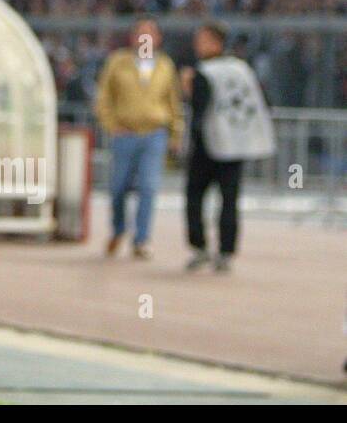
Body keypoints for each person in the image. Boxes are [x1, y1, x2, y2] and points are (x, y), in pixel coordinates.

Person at [182, 22, 274, 272]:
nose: (196, 44)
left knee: (195, 197)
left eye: (201, 39)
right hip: (237, 144)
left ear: (215, 41)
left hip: (208, 145)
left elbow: (198, 111)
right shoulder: (242, 68)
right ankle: (226, 251)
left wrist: (187, 90)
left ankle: (200, 247)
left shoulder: (204, 72)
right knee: (229, 200)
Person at [95, 18, 184, 259]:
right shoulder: (117, 62)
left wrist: (176, 132)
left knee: (148, 187)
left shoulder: (165, 66)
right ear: (132, 38)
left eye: (150, 34)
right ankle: (118, 229)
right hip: (125, 133)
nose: (145, 39)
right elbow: (103, 98)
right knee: (118, 187)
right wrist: (112, 125)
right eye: (140, 34)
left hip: (154, 134)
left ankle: (142, 238)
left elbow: (173, 101)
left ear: (158, 39)